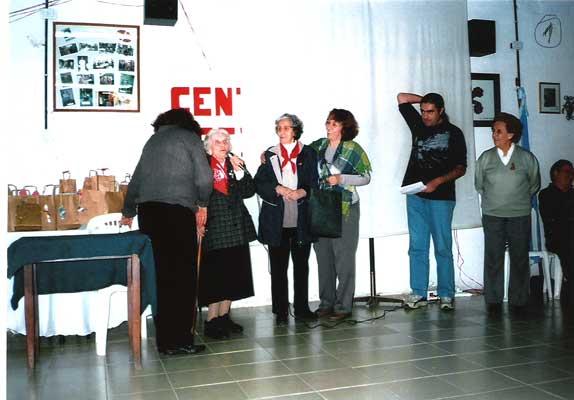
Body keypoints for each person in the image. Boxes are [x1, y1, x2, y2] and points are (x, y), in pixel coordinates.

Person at [121, 108, 212, 355]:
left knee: (160, 276)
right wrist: (202, 204)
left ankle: (164, 340)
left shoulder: (152, 141)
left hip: (149, 214)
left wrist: (128, 211)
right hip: (177, 212)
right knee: (183, 276)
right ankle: (181, 340)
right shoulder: (189, 138)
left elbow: (136, 180)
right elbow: (205, 178)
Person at [397, 92, 467, 311]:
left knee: (443, 247)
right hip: (415, 195)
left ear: (441, 111)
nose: (425, 116)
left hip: (441, 197)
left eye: (430, 111)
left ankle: (446, 294)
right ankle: (418, 293)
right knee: (417, 247)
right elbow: (401, 97)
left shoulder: (454, 133)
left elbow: (460, 168)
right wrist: (424, 99)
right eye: (423, 111)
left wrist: (438, 181)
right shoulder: (418, 125)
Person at [254, 113, 318, 324]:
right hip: (276, 221)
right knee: (279, 269)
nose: (282, 131)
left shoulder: (308, 153)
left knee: (302, 267)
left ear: (295, 130)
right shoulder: (270, 154)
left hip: (301, 220)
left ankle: (301, 308)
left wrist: (303, 192)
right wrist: (277, 188)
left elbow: (315, 182)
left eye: (286, 128)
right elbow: (259, 184)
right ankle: (280, 311)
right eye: (279, 128)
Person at [475, 112, 540, 314]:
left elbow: (534, 184)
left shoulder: (526, 158)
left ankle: (519, 300)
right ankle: (493, 300)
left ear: (511, 134)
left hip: (519, 215)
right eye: (493, 131)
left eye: (499, 131)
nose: (494, 134)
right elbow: (479, 184)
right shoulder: (486, 158)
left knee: (519, 257)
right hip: (493, 214)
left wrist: (516, 201)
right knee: (493, 256)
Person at [310, 108, 372, 321]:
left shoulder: (352, 149)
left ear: (344, 127)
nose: (329, 127)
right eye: (328, 122)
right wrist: (268, 153)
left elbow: (366, 177)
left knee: (344, 259)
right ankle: (326, 303)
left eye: (334, 124)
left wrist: (342, 179)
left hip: (345, 208)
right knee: (323, 257)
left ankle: (343, 306)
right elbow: (296, 155)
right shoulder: (318, 146)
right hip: (321, 207)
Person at [199, 129, 257, 338]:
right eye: (218, 141)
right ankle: (211, 321)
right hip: (214, 227)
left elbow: (249, 190)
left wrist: (240, 172)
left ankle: (225, 317)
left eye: (226, 141)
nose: (223, 144)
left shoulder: (235, 163)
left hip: (236, 226)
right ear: (208, 145)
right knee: (216, 276)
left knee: (233, 274)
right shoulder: (202, 165)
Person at [538, 159, 574, 310]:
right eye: (567, 171)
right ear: (555, 173)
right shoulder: (546, 195)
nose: (571, 175)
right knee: (569, 247)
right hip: (558, 237)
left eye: (571, 171)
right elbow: (554, 220)